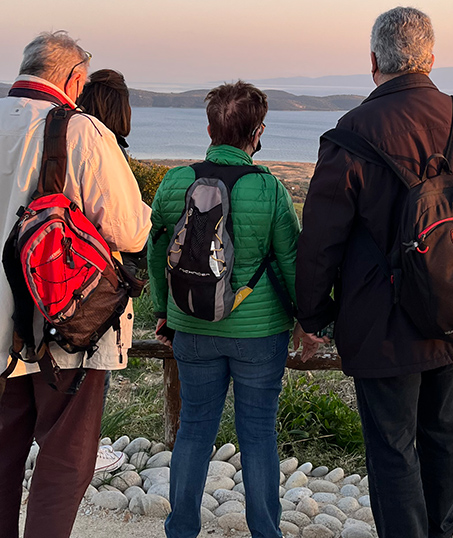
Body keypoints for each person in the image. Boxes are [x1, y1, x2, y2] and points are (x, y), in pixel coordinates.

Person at [294, 7, 453, 538]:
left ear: (373, 61)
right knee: (443, 434)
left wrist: (312, 316)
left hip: (382, 324)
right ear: (432, 59)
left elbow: (321, 241)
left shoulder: (352, 134)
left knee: (393, 449)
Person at [0, 31, 151, 538]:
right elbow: (129, 229)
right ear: (75, 77)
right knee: (64, 455)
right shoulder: (82, 132)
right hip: (68, 322)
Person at [147, 81, 300, 538]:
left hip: (191, 325)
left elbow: (157, 254)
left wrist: (163, 309)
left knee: (194, 429)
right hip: (260, 333)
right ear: (259, 132)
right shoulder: (270, 189)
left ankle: (181, 530)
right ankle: (265, 533)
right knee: (257, 435)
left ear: (209, 127)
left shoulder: (176, 180)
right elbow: (291, 262)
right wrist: (307, 323)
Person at [77, 68, 135, 473]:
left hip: (58, 269)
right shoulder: (109, 149)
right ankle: (87, 450)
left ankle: (60, 444)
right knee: (95, 360)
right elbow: (124, 226)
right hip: (98, 275)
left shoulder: (65, 138)